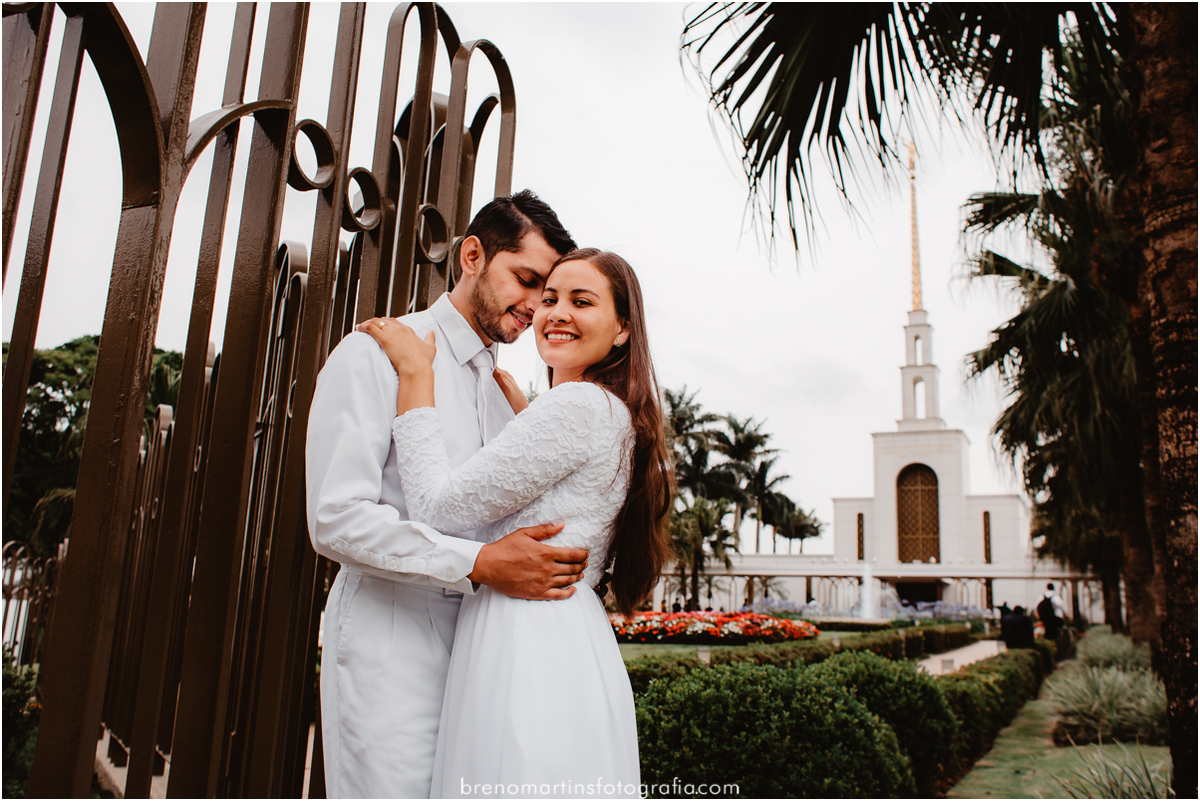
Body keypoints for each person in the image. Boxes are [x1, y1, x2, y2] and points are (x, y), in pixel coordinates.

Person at [357, 248, 673, 797]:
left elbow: (437, 508)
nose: (556, 312)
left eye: (582, 301)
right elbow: (567, 501)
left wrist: (416, 376)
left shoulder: (574, 405)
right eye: (548, 298)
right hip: (567, 633)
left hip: (524, 634)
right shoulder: (613, 409)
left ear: (623, 329)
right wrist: (529, 418)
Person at [306, 191, 583, 798]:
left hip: (484, 660)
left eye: (549, 291)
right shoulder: (378, 353)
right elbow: (336, 519)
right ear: (473, 255)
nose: (536, 306)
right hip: (391, 648)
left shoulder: (509, 394)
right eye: (526, 280)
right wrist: (480, 564)